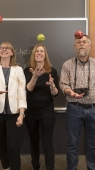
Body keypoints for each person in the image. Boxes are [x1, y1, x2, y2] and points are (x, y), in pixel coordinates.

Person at [0, 41, 27, 170]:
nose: (4, 49)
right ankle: (6, 167)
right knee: (1, 143)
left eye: (7, 48)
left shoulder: (18, 70)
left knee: (14, 145)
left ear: (12, 52)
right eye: (2, 48)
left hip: (13, 113)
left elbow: (21, 92)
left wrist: (21, 114)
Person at [60, 35, 95, 170]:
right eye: (78, 42)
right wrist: (70, 92)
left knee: (93, 144)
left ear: (89, 45)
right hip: (74, 108)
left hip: (93, 109)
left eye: (84, 42)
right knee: (72, 144)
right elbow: (63, 83)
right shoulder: (67, 64)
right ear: (74, 46)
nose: (81, 44)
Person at [23, 44, 59, 170]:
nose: (39, 53)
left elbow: (55, 94)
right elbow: (28, 89)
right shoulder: (27, 71)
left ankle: (50, 167)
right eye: (36, 51)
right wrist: (35, 77)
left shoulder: (52, 71)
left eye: (41, 51)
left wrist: (52, 85)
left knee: (47, 142)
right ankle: (36, 166)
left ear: (45, 54)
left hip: (47, 111)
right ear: (34, 54)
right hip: (31, 111)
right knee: (34, 141)